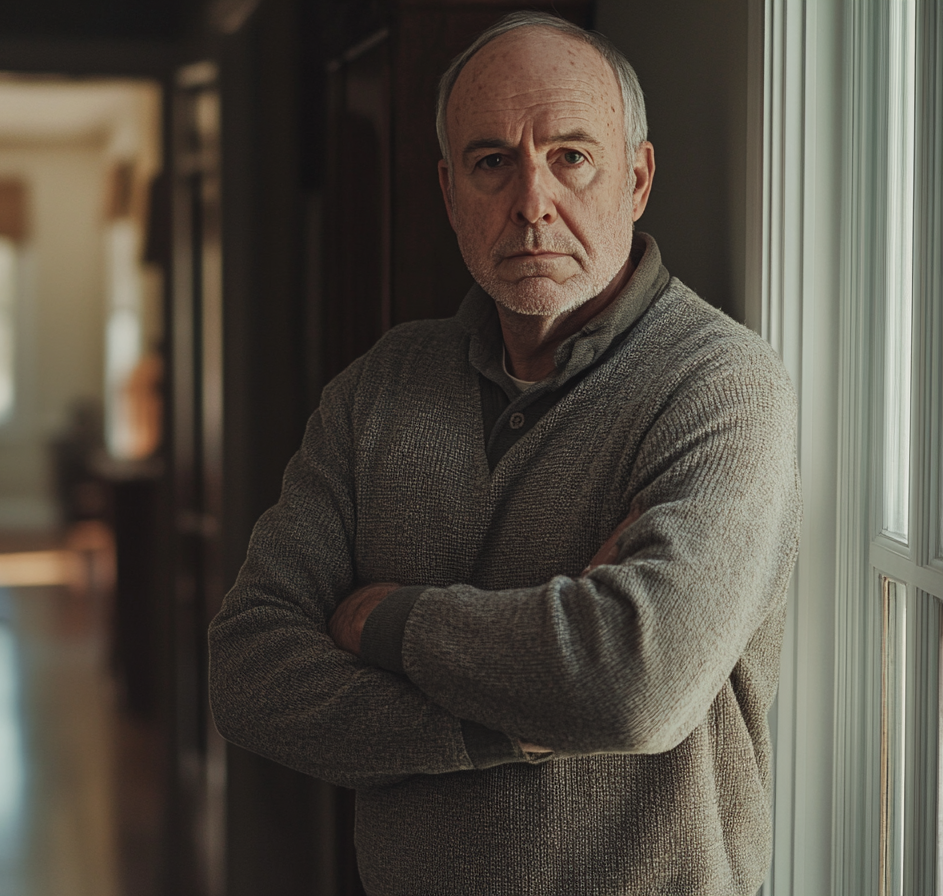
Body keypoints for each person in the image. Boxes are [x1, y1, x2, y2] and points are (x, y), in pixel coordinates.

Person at [208, 10, 800, 896]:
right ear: (450, 194)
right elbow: (249, 671)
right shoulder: (379, 387)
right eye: (493, 163)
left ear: (636, 179)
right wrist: (508, 729)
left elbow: (631, 684)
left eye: (571, 156)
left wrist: (385, 621)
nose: (532, 201)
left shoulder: (721, 386)